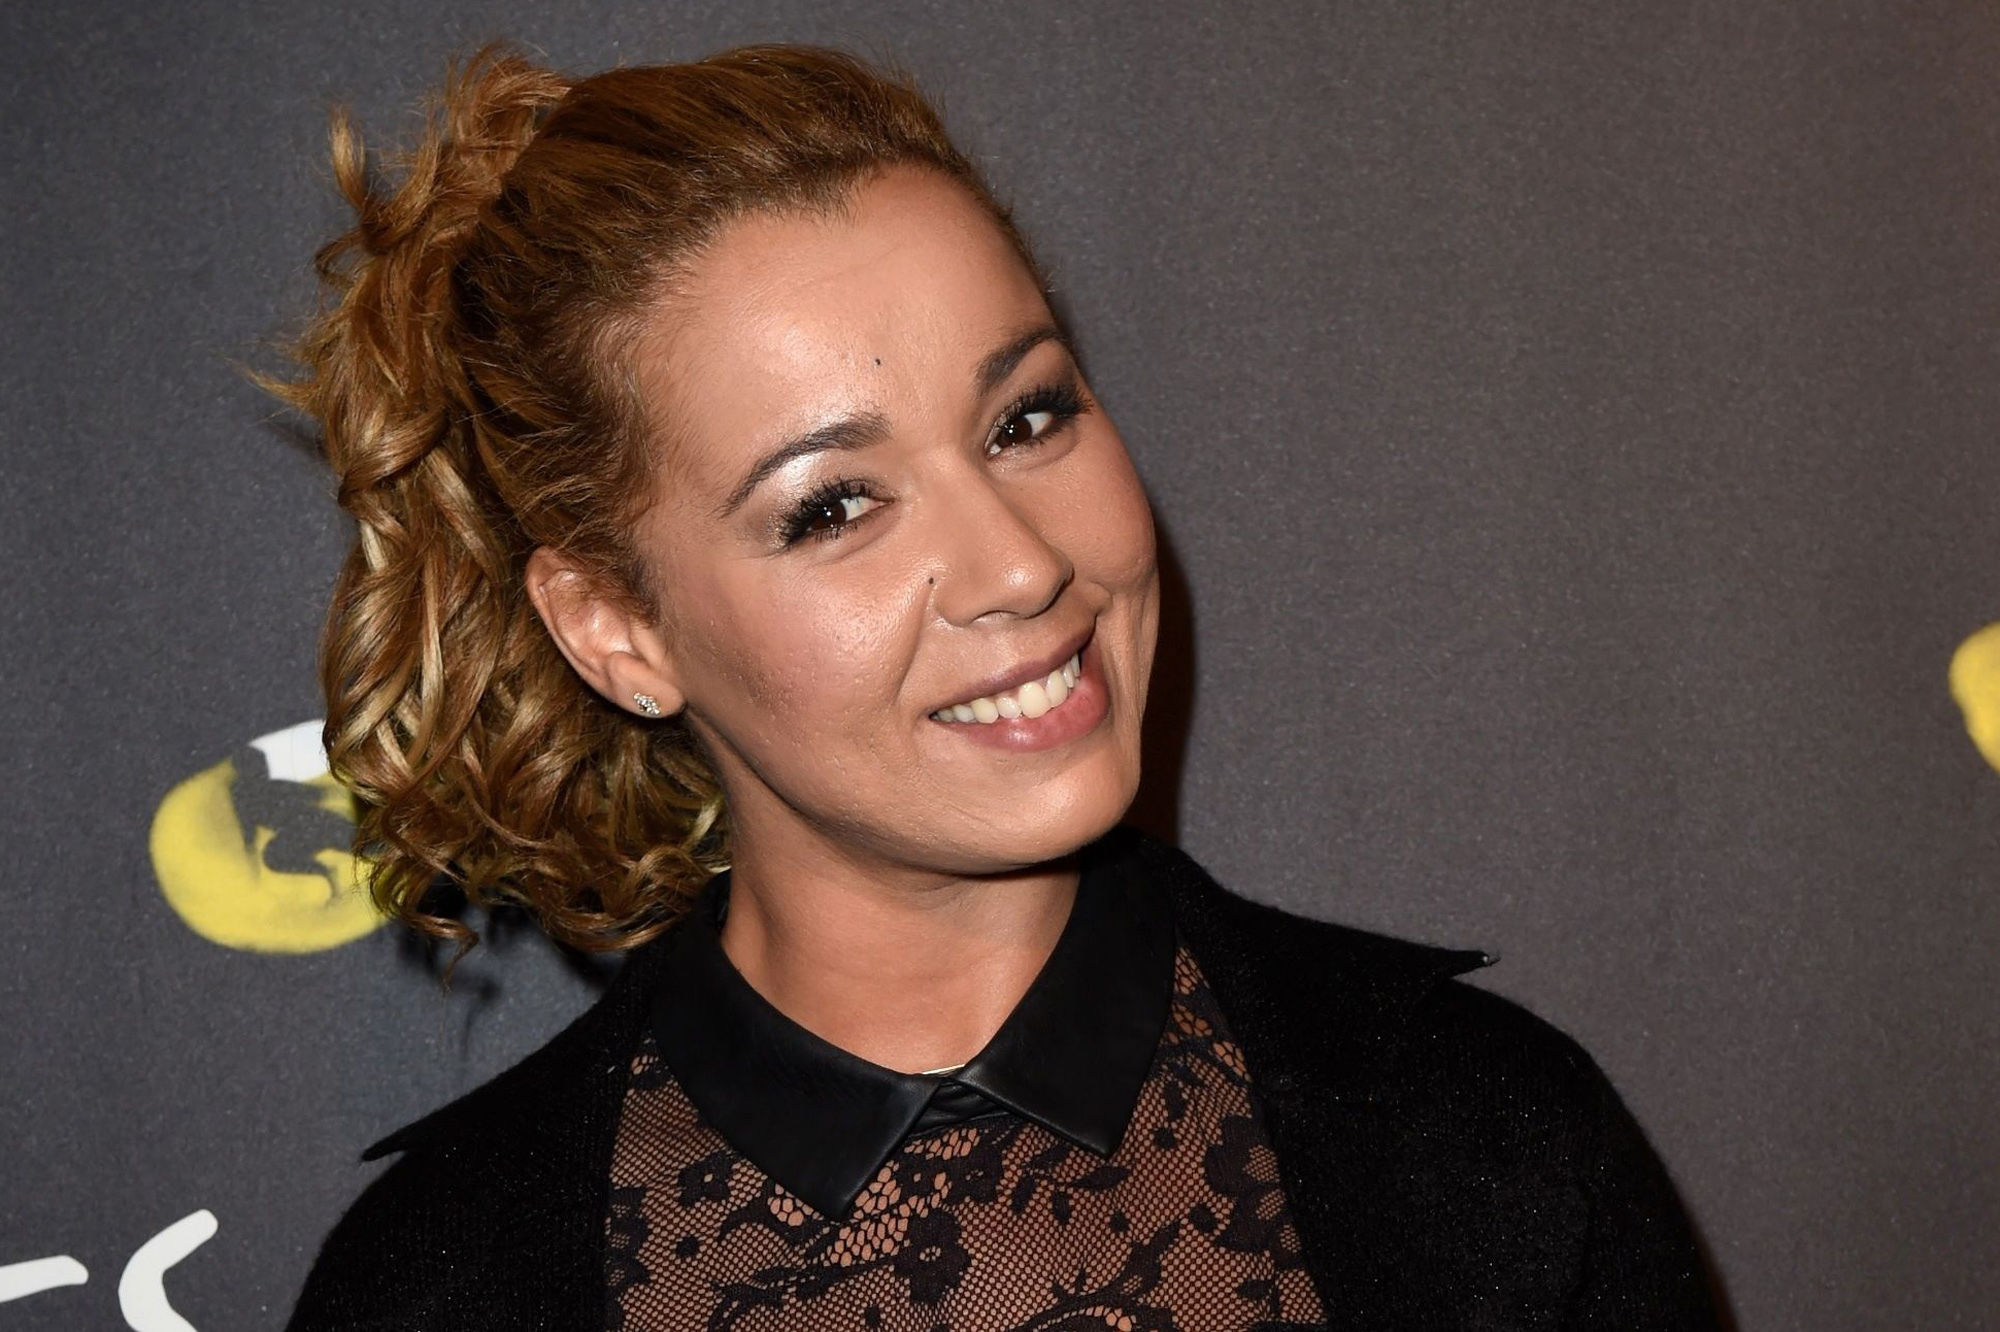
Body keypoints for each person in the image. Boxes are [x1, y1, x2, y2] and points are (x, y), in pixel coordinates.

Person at [272, 42, 1724, 1331]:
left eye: (1027, 419)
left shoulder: (1483, 1140)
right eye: (834, 506)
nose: (1021, 565)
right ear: (613, 630)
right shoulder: (442, 1286)